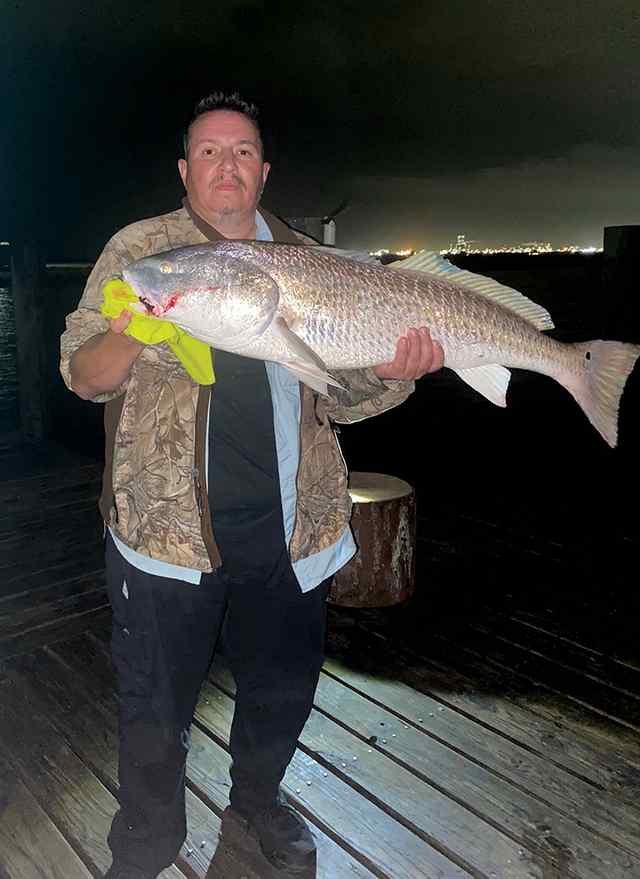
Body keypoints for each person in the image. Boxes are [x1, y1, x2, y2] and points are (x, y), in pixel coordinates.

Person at [60, 91, 443, 879]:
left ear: (263, 171)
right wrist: (132, 330)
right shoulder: (142, 253)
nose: (225, 164)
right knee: (153, 714)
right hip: (166, 536)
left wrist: (392, 372)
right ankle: (145, 845)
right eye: (208, 150)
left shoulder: (308, 262)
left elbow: (345, 399)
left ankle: (257, 804)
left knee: (280, 692)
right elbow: (81, 374)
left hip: (289, 531)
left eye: (241, 151)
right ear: (184, 169)